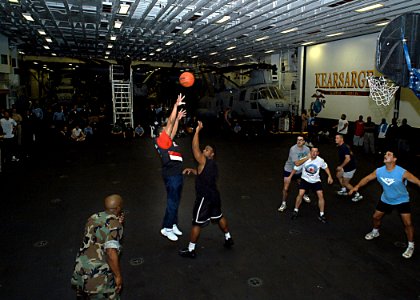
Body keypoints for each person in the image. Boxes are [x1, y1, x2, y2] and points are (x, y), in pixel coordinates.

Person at [349, 151, 420, 259]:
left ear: (394, 159)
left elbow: (417, 181)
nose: (385, 155)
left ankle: (411, 245)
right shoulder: (379, 171)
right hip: (386, 199)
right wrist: (356, 187)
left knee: (408, 223)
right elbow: (367, 178)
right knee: (375, 217)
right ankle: (375, 231)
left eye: (389, 154)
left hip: (402, 200)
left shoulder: (402, 172)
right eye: (385, 154)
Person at [179, 121, 233, 258]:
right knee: (219, 216)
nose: (204, 150)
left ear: (212, 154)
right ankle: (228, 237)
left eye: (207, 149)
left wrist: (197, 131)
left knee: (196, 223)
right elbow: (202, 173)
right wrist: (193, 170)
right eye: (205, 149)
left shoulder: (204, 161)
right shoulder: (212, 165)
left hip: (204, 198)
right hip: (214, 196)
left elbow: (195, 148)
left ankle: (191, 250)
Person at [71, 194, 125, 299]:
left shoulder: (93, 217)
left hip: (81, 271)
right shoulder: (114, 225)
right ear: (118, 208)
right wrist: (118, 276)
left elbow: (99, 234)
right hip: (98, 278)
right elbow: (110, 252)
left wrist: (116, 224)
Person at [154, 93, 187, 242]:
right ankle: (166, 228)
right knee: (172, 202)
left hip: (176, 174)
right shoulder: (161, 141)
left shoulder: (167, 141)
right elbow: (170, 123)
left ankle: (173, 224)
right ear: (161, 134)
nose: (168, 131)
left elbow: (172, 129)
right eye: (165, 130)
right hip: (172, 175)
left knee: (175, 200)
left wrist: (178, 119)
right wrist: (175, 106)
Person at [288, 146, 333, 223]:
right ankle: (295, 210)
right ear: (310, 152)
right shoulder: (305, 159)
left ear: (318, 153)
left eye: (316, 152)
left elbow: (325, 167)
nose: (314, 153)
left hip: (315, 181)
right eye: (313, 151)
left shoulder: (320, 160)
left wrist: (330, 176)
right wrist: (290, 177)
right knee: (300, 194)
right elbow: (296, 167)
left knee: (320, 195)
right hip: (305, 180)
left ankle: (322, 214)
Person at [278, 136, 311, 212]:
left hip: (300, 171)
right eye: (298, 140)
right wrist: (307, 158)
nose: (299, 141)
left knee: (303, 183)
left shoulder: (307, 149)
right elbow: (297, 163)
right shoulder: (293, 149)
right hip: (289, 170)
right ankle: (283, 203)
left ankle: (305, 194)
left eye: (301, 140)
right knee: (286, 188)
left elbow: (310, 160)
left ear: (304, 142)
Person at [335, 134, 363, 202]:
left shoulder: (344, 147)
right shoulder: (342, 146)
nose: (335, 139)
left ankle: (357, 195)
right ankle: (344, 190)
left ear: (341, 139)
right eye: (335, 138)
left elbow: (348, 159)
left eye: (337, 138)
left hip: (349, 168)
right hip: (345, 167)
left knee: (346, 183)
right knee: (338, 175)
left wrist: (340, 167)